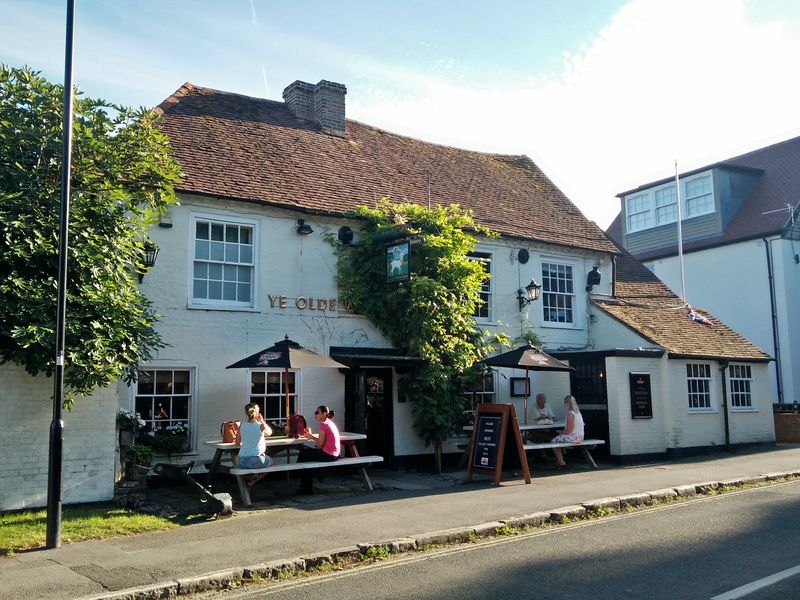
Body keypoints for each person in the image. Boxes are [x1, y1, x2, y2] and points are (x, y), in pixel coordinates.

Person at [296, 405, 340, 494]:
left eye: (317, 413)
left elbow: (320, 445)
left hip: (328, 455)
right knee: (306, 454)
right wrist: (312, 437)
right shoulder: (330, 423)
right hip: (334, 454)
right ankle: (312, 478)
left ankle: (305, 486)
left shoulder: (323, 424)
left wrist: (311, 437)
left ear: (324, 414)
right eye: (315, 413)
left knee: (304, 454)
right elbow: (322, 443)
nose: (315, 415)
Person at [235, 402, 273, 488]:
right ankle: (254, 480)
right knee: (271, 461)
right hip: (256, 460)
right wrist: (262, 421)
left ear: (246, 413)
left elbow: (237, 443)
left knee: (254, 466)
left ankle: (251, 478)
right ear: (258, 412)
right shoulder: (260, 426)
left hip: (241, 461)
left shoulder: (241, 425)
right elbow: (270, 433)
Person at [551, 395, 584, 469]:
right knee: (559, 440)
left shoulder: (571, 414)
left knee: (554, 441)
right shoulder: (578, 413)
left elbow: (568, 431)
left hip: (574, 437)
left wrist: (560, 432)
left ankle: (562, 463)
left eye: (565, 403)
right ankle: (559, 462)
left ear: (568, 404)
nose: (564, 404)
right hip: (579, 436)